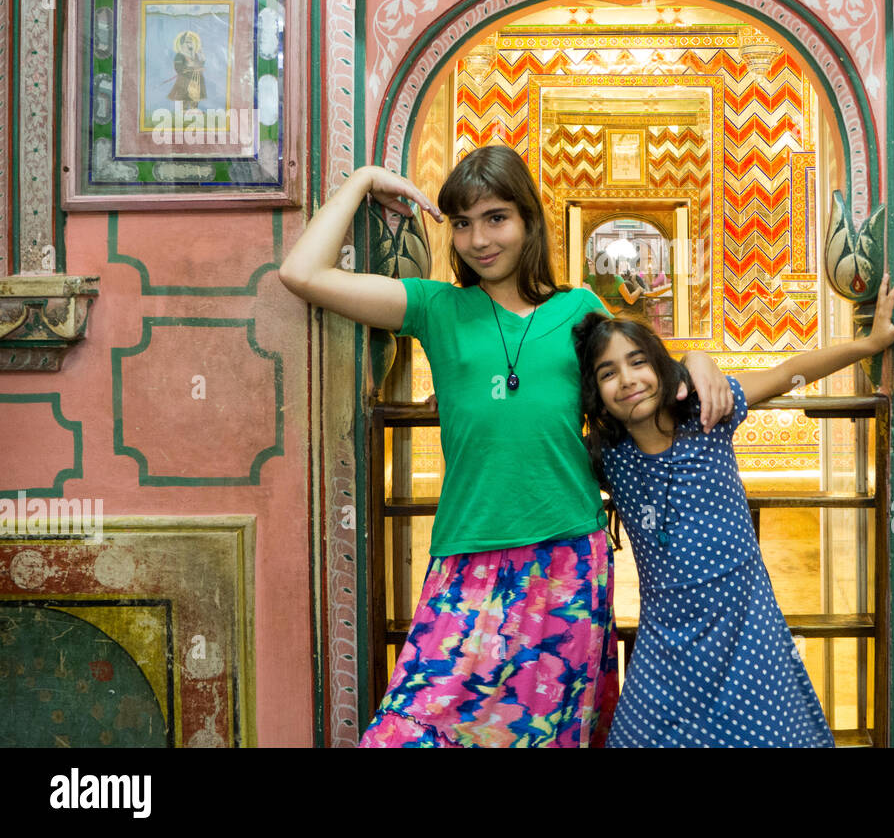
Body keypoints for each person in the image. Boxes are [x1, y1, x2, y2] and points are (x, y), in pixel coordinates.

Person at [278, 145, 732, 747]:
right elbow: (302, 274)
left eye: (496, 218)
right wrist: (363, 180)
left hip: (569, 560)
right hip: (469, 556)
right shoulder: (437, 306)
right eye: (462, 224)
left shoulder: (579, 311)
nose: (477, 239)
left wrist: (698, 359)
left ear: (528, 221)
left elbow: (643, 370)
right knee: (407, 731)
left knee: (553, 734)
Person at [572, 275, 894, 748]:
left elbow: (789, 371)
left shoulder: (709, 417)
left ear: (660, 366)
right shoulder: (606, 455)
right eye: (608, 373)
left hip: (744, 624)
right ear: (595, 392)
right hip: (666, 638)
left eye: (638, 362)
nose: (628, 380)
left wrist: (868, 344)